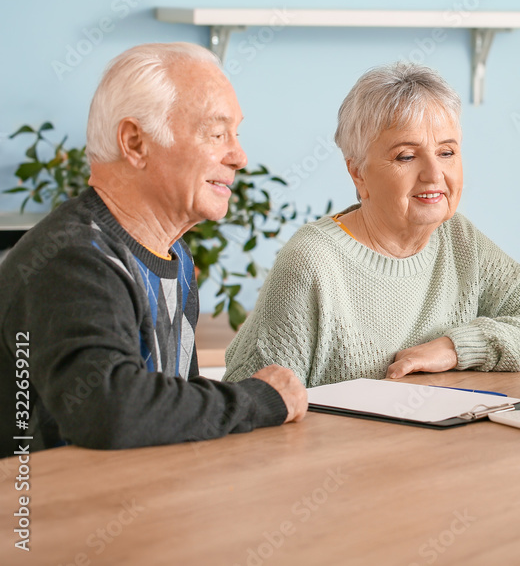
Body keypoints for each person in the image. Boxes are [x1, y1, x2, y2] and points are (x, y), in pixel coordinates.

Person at [0, 43, 307, 457]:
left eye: (236, 134)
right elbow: (111, 410)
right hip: (42, 515)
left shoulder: (174, 257)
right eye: (217, 134)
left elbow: (176, 411)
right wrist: (258, 399)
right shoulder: (74, 258)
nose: (239, 156)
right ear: (135, 142)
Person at [224, 62, 520, 386]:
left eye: (447, 152)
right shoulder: (312, 262)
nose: (434, 174)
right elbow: (253, 407)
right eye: (407, 156)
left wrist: (455, 348)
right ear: (358, 173)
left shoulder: (457, 238)